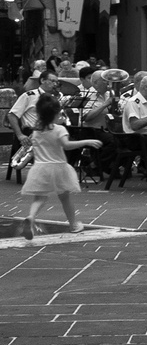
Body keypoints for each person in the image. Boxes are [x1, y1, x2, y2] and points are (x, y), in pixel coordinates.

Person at [16, 93, 102, 239]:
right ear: (56, 113)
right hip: (58, 167)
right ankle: (74, 225)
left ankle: (31, 217)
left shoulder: (36, 131)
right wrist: (87, 142)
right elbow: (66, 146)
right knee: (65, 198)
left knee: (39, 198)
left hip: (40, 168)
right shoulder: (59, 129)